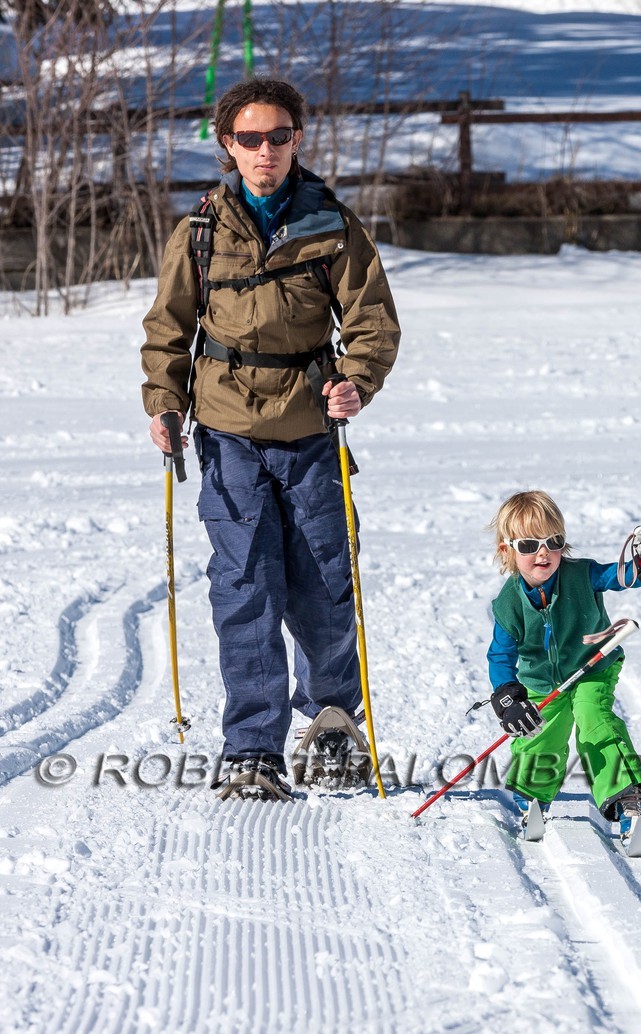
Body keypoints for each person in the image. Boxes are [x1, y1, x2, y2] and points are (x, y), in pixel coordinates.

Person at [140, 77, 400, 801]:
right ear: (228, 144)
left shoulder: (333, 227)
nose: (265, 150)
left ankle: (332, 725)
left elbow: (373, 323)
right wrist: (165, 404)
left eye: (278, 135)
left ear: (296, 140)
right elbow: (168, 330)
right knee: (246, 589)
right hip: (226, 438)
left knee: (323, 585)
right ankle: (252, 748)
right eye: (249, 137)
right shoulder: (197, 233)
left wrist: (356, 379)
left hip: (312, 433)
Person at [484, 491, 641, 831]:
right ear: (506, 551)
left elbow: (617, 576)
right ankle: (534, 795)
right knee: (541, 733)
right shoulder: (508, 604)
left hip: (592, 668)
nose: (543, 553)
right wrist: (508, 696)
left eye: (552, 541)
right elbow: (500, 655)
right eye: (528, 545)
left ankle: (625, 794)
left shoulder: (580, 575)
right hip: (540, 681)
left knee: (594, 718)